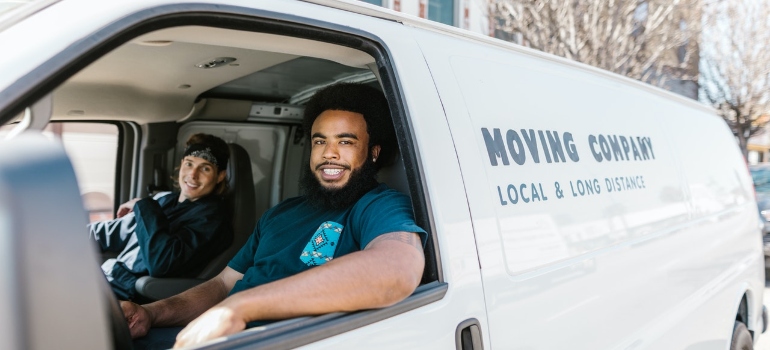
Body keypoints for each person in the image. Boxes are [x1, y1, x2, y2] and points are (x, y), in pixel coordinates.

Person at [121, 83, 427, 349]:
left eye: (345, 142)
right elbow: (223, 286)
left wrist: (239, 308)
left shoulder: (378, 205)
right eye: (320, 141)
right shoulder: (280, 213)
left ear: (373, 152)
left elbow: (399, 268)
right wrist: (151, 313)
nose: (329, 153)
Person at [90, 133, 233, 300]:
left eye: (205, 168)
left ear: (220, 176)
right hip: (105, 279)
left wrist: (143, 206)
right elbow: (109, 233)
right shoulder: (164, 200)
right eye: (189, 164)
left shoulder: (212, 220)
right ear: (181, 165)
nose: (193, 174)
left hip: (129, 295)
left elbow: (161, 262)